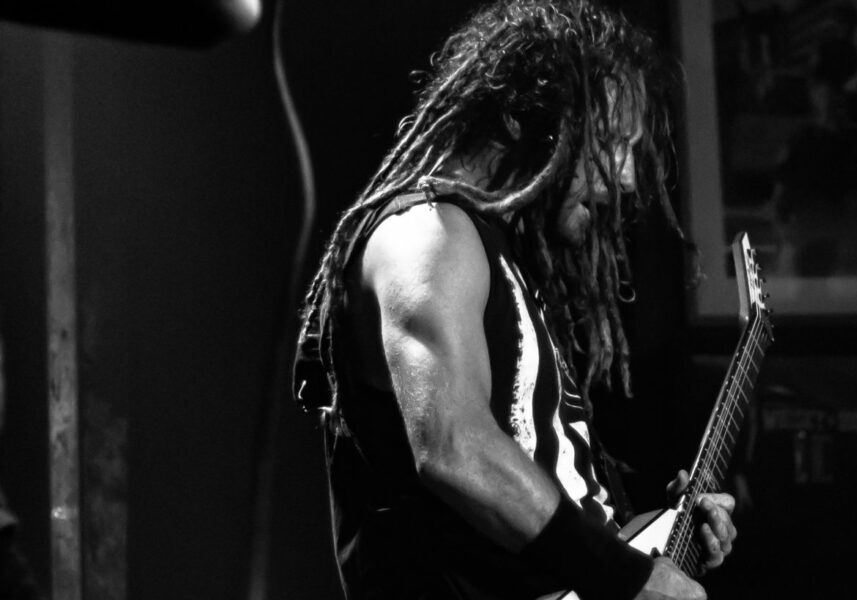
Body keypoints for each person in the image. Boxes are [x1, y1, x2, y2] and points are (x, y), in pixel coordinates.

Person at [291, 2, 737, 599]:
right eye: (610, 143)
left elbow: (539, 485)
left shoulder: (502, 259)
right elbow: (455, 450)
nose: (627, 178)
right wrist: (629, 578)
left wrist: (659, 534)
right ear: (524, 119)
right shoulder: (427, 235)